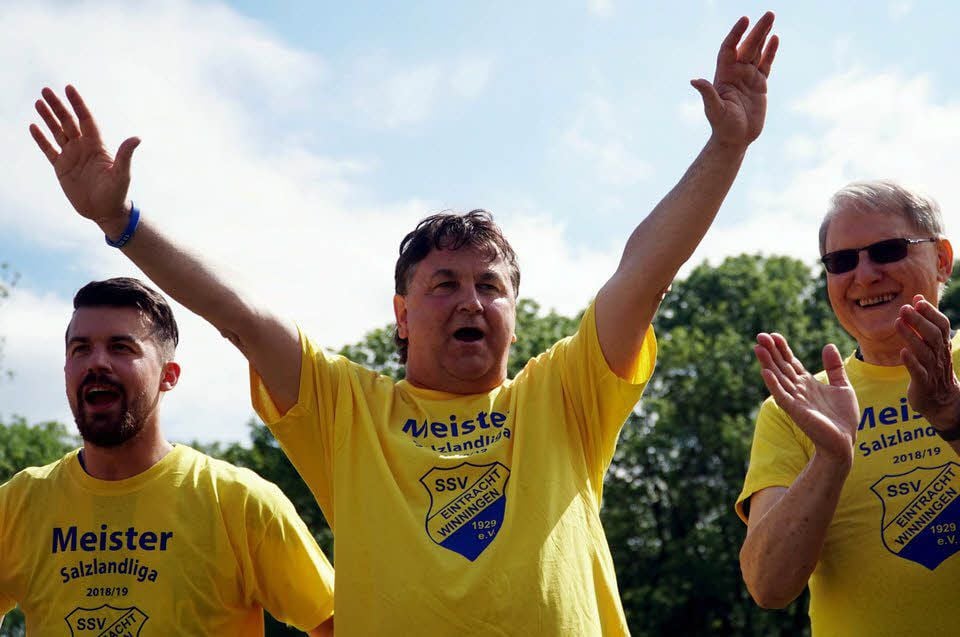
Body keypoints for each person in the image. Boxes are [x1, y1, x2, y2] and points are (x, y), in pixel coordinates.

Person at [29, 12, 778, 635]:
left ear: (515, 313)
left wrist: (726, 147)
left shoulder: (562, 396)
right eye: (444, 284)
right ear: (401, 314)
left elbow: (644, 271)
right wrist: (123, 222)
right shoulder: (347, 412)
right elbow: (242, 315)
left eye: (490, 286)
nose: (470, 301)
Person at [0, 278, 335, 636]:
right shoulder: (17, 504)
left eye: (121, 347)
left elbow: (335, 623)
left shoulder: (237, 502)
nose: (97, 362)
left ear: (168, 376)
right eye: (80, 349)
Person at [737, 180, 960, 635]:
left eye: (887, 250)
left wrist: (951, 416)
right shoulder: (793, 410)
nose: (865, 275)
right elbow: (768, 586)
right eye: (841, 262)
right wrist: (831, 458)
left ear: (941, 259)